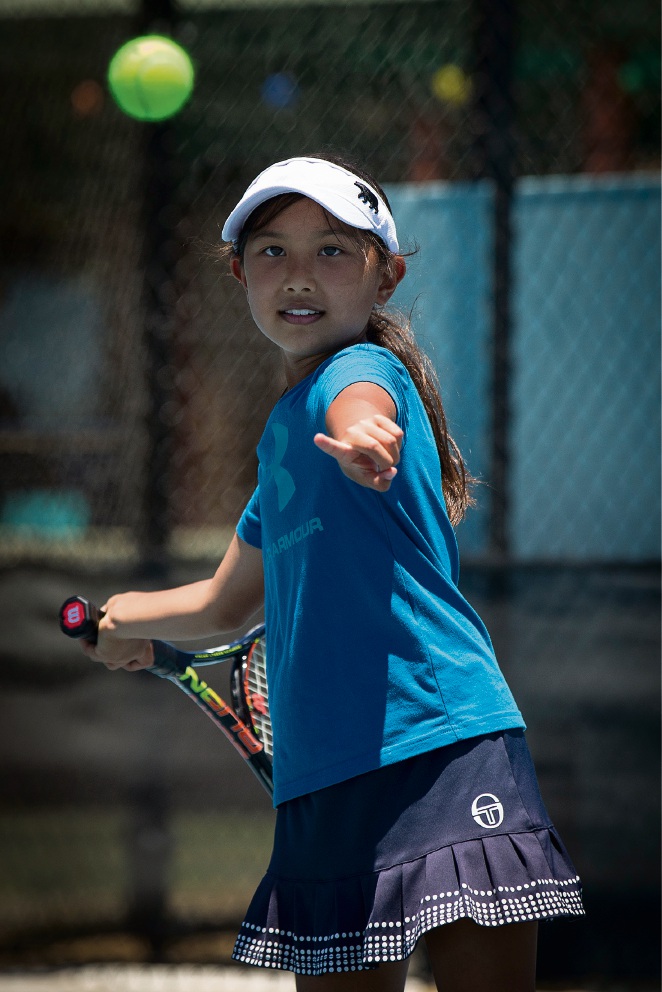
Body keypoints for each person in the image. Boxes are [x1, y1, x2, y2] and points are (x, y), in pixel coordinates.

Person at [79, 154, 584, 991]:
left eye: (333, 252)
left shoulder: (359, 380)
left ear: (385, 278)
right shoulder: (282, 439)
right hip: (324, 781)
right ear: (239, 273)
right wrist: (127, 620)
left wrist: (365, 439)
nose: (299, 275)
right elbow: (226, 600)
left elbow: (362, 402)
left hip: (441, 747)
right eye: (273, 252)